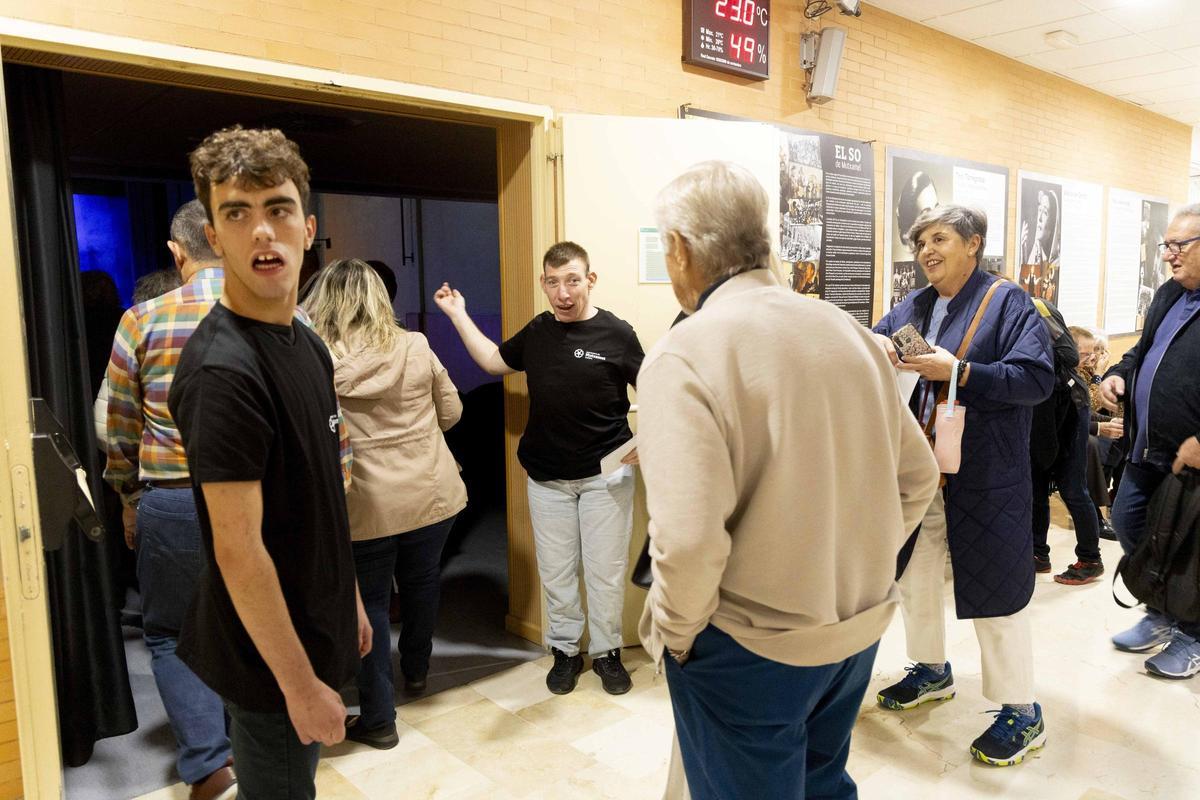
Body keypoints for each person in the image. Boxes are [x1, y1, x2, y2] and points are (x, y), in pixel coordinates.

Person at [637, 160, 940, 799]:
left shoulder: (684, 353)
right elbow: (916, 477)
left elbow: (689, 540)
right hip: (854, 630)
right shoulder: (848, 331)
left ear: (680, 250)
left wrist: (677, 633)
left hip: (748, 646)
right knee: (823, 783)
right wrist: (854, 567)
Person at [167, 126, 370, 798]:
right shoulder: (224, 371)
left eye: (277, 209)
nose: (262, 232)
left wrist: (354, 603)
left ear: (308, 228)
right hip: (269, 661)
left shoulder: (304, 344)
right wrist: (300, 685)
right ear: (214, 238)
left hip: (312, 623)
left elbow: (320, 495)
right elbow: (240, 551)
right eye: (237, 213)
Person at [873, 204, 1055, 767]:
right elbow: (877, 347)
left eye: (940, 238)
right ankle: (930, 669)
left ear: (973, 244)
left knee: (998, 589)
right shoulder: (913, 305)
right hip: (918, 468)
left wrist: (959, 371)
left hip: (986, 472)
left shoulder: (1008, 302)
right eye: (921, 242)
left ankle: (1022, 710)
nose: (927, 250)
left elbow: (1036, 379)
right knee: (916, 575)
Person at [434, 241, 643, 696]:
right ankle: (566, 652)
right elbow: (492, 362)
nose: (563, 293)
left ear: (590, 280)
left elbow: (658, 388)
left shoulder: (617, 334)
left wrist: (650, 442)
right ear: (543, 284)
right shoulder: (539, 331)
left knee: (605, 571)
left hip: (606, 474)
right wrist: (457, 314)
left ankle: (608, 653)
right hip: (547, 477)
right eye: (553, 282)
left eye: (572, 280)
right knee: (557, 571)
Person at [301, 258, 467, 748]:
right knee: (423, 582)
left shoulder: (315, 358)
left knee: (370, 604)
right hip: (431, 493)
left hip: (364, 503)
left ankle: (378, 717)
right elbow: (453, 412)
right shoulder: (414, 345)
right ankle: (416, 668)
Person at [103, 201, 234, 800]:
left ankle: (211, 768)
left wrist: (129, 497)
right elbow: (323, 423)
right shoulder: (290, 316)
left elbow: (120, 429)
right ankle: (262, 749)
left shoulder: (141, 320)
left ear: (178, 252)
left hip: (175, 501)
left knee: (172, 635)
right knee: (260, 626)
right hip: (265, 503)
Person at [1100, 203, 1200, 680]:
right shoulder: (1168, 295)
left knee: (1191, 550)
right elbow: (1141, 352)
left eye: (1180, 245)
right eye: (1167, 245)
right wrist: (1118, 374)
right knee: (1127, 518)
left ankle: (1193, 632)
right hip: (1148, 449)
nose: (1169, 256)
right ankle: (1161, 610)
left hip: (1193, 462)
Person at [1025, 297, 1104, 585]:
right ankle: (1037, 554)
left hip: (1069, 405)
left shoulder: (1035, 306)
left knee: (1073, 487)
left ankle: (1090, 558)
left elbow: (1069, 356)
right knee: (1036, 482)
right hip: (1042, 407)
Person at [1070, 326, 1123, 541]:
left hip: (1087, 425)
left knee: (1122, 435)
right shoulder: (1077, 372)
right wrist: (1099, 375)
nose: (1095, 357)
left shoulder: (1092, 371)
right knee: (1094, 444)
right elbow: (1090, 404)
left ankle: (1115, 499)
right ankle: (1098, 512)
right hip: (1077, 433)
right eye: (1090, 352)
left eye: (1100, 351)